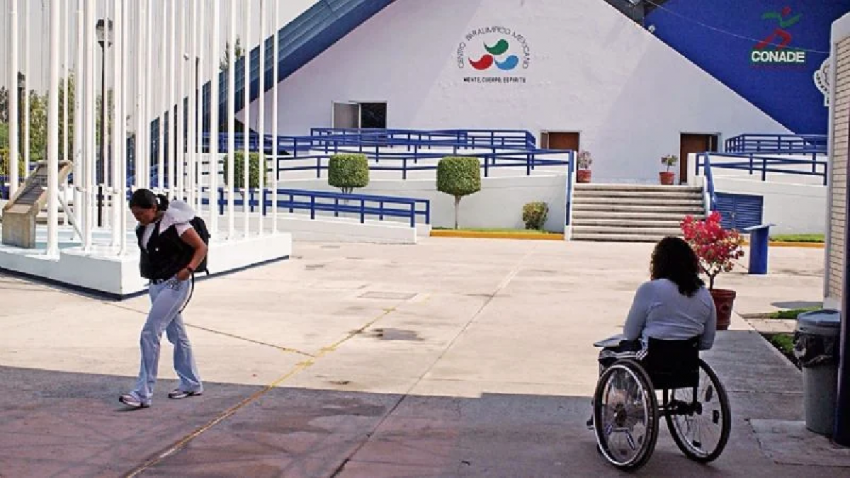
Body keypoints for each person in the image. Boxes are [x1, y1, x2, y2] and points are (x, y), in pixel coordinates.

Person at [588, 236, 717, 427]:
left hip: (651, 362)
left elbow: (630, 333)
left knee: (607, 354)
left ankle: (616, 407)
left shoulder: (650, 289)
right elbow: (706, 342)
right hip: (686, 366)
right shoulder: (704, 294)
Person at [119, 189, 207, 409]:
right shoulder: (144, 228)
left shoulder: (175, 223)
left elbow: (200, 247)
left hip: (175, 284)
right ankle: (191, 382)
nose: (138, 218)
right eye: (134, 214)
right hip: (156, 284)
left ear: (153, 208)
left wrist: (188, 269)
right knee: (177, 334)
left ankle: (142, 393)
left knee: (150, 333)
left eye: (141, 213)